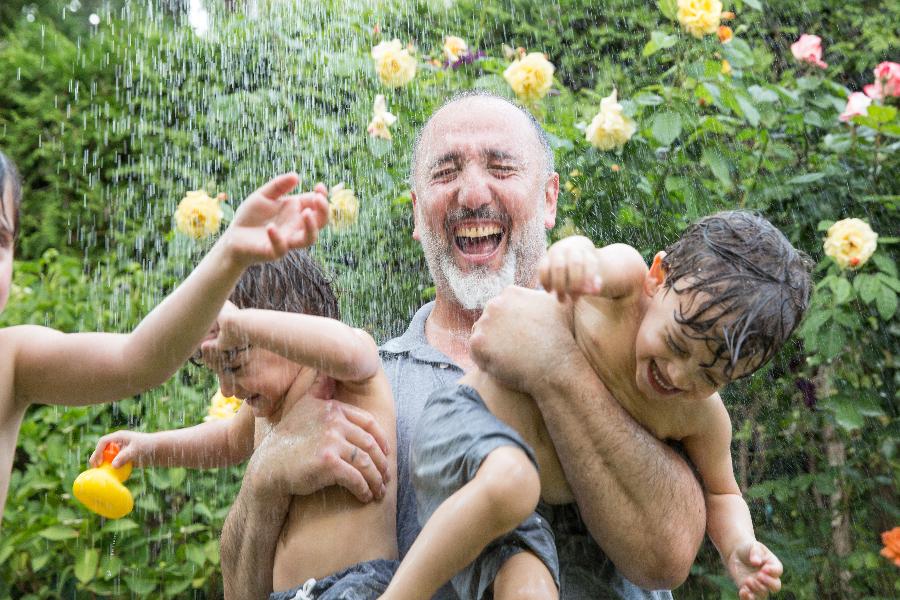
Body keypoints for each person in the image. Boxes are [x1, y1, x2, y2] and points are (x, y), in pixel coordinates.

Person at [219, 92, 707, 599]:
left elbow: (667, 556)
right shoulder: (346, 386)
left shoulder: (639, 362)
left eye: (501, 167)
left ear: (548, 199)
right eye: (445, 172)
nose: (473, 194)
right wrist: (263, 481)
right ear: (415, 214)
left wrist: (556, 363)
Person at [383, 211, 807, 600]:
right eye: (676, 344)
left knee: (530, 587)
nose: (679, 375)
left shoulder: (701, 416)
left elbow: (722, 492)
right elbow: (588, 257)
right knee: (511, 484)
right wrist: (570, 261)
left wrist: (739, 545)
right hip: (465, 436)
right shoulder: (623, 288)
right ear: (658, 276)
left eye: (710, 377)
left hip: (534, 509)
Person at [0, 149, 328, 522]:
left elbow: (138, 360)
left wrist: (231, 253)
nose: (226, 390)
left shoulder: (12, 361)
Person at [90, 249, 399, 597]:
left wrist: (242, 323)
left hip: (356, 584)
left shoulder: (338, 367)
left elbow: (354, 350)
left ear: (293, 325)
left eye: (234, 366)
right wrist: (150, 447)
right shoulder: (266, 410)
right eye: (218, 372)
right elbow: (224, 441)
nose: (226, 389)